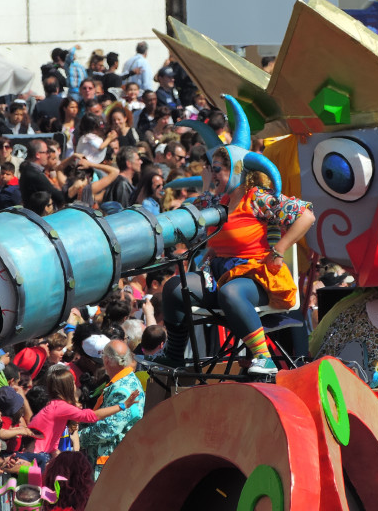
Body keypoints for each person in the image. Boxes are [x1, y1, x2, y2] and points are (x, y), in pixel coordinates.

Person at [159, 94, 315, 375]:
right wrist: (207, 189)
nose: (212, 173)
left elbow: (306, 215)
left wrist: (279, 249)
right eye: (211, 168)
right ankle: (174, 355)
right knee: (174, 288)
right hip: (219, 274)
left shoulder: (258, 198)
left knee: (231, 293)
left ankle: (263, 357)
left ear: (239, 171)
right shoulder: (213, 202)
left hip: (257, 276)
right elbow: (188, 218)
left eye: (217, 169)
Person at [29, 365, 140, 456]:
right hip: (37, 455)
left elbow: (52, 443)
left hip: (41, 453)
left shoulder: (54, 405)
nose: (75, 385)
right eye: (72, 383)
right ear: (67, 387)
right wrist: (122, 406)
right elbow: (91, 416)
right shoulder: (60, 407)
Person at [78, 339, 144, 478]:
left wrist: (79, 438)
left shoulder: (122, 390)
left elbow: (108, 429)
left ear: (107, 360)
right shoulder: (128, 380)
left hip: (108, 462)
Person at [19, 139, 65, 209]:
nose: (48, 155)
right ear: (38, 154)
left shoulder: (30, 170)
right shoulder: (33, 174)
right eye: (46, 152)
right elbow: (58, 196)